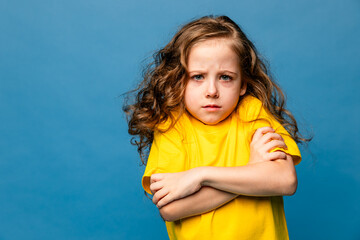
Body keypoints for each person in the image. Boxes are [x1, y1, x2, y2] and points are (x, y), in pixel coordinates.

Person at [124, 15, 309, 240]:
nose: (212, 90)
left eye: (225, 77)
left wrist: (201, 175)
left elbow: (285, 181)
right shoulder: (172, 127)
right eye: (198, 76)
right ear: (178, 80)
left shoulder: (251, 112)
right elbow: (171, 209)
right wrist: (252, 171)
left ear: (243, 85)